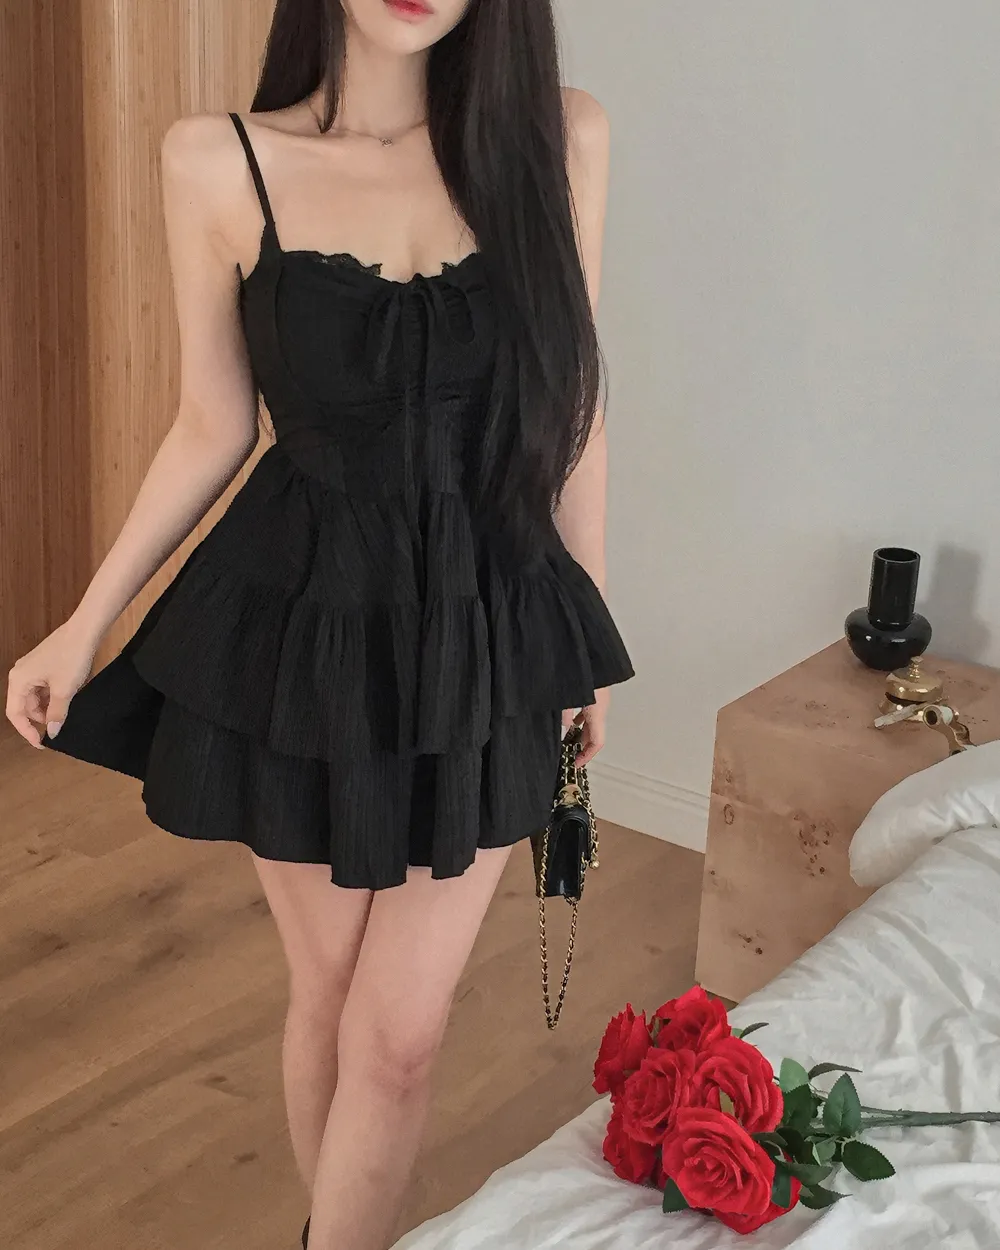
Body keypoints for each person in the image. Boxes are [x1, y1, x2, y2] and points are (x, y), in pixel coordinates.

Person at [5, 1, 634, 1246]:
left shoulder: (560, 138)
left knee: (398, 1034)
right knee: (335, 991)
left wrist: (585, 636)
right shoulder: (216, 159)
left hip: (488, 619)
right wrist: (83, 622)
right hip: (302, 623)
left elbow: (573, 410)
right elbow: (212, 425)